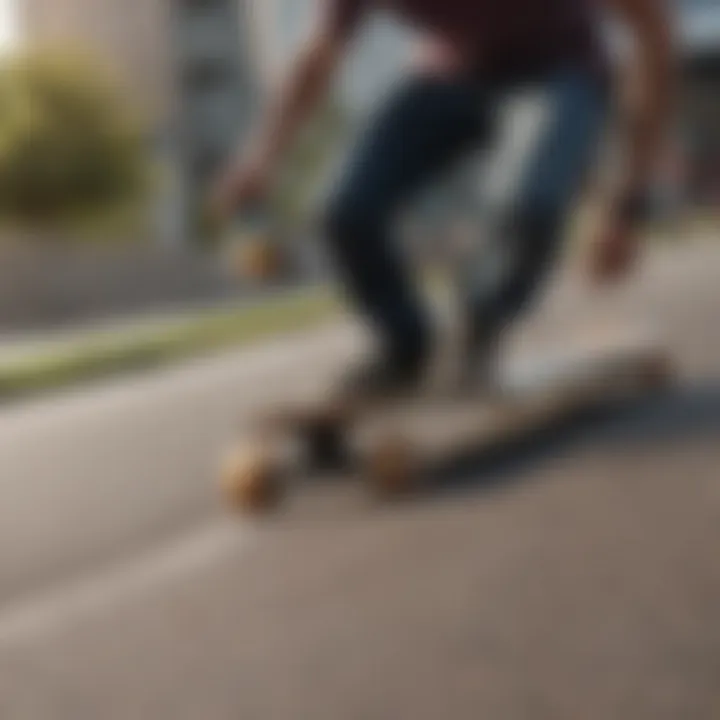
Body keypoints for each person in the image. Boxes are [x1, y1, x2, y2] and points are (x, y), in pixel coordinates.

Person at [212, 0, 676, 397]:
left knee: (531, 208)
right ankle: (405, 347)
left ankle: (483, 326)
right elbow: (319, 56)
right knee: (347, 211)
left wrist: (626, 207)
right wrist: (262, 157)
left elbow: (653, 30)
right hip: (454, 75)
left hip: (562, 73)